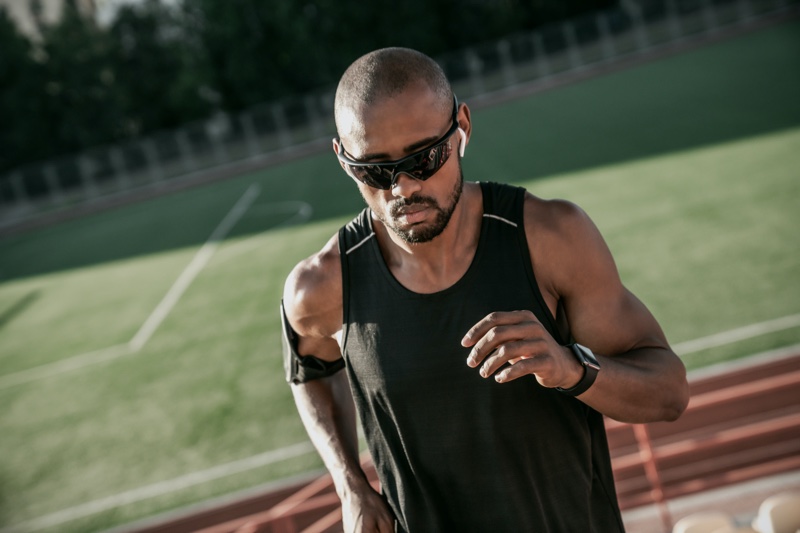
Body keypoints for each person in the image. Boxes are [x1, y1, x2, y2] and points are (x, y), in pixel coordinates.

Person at [281, 47, 690, 532]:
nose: (403, 188)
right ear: (344, 161)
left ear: (463, 129)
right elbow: (311, 372)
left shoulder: (549, 238)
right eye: (375, 170)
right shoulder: (322, 288)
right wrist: (349, 481)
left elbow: (669, 393)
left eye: (425, 158)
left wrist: (572, 369)